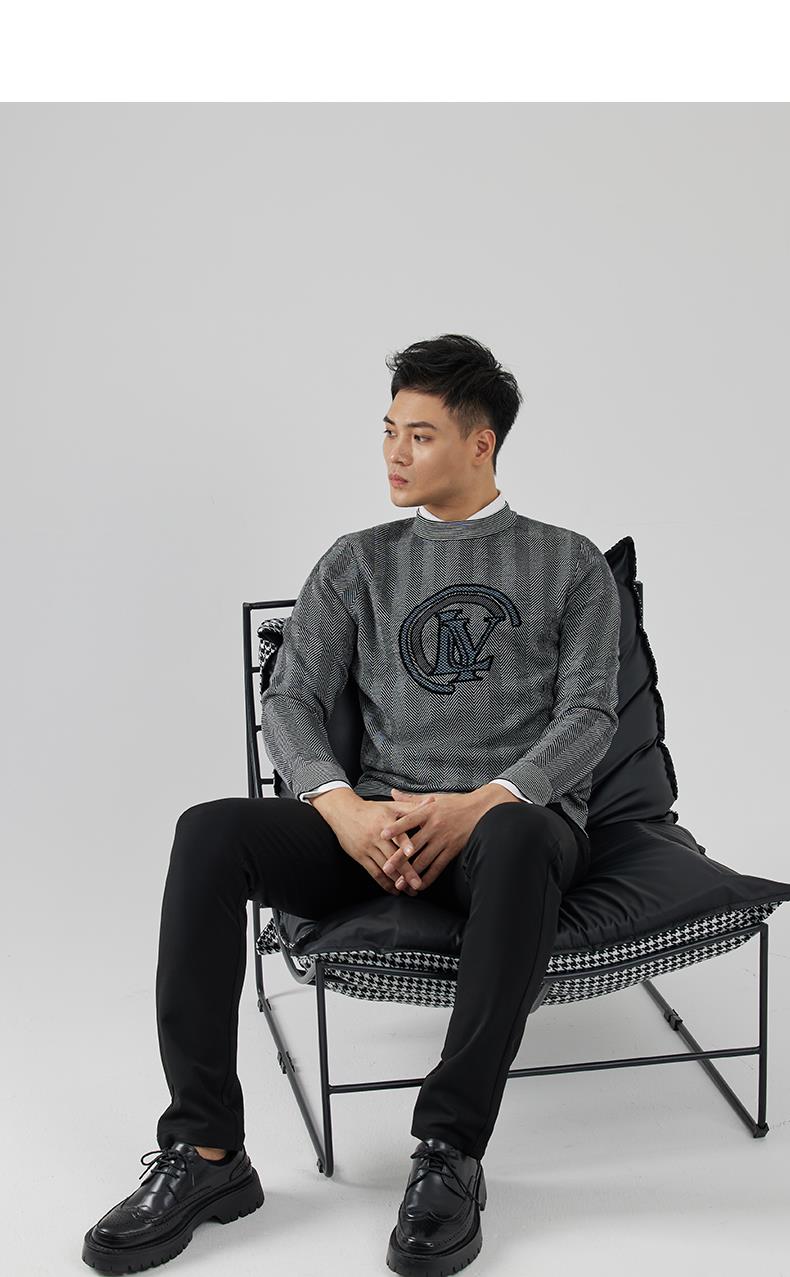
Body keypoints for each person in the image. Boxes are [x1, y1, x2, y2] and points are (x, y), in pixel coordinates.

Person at [82, 333, 621, 1277]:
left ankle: (449, 1151)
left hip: (509, 835)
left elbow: (589, 716)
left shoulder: (568, 562)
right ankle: (206, 1151)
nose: (393, 454)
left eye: (420, 435)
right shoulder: (359, 561)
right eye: (388, 431)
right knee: (208, 831)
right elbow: (290, 698)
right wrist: (344, 810)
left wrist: (480, 804)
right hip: (375, 829)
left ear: (482, 443)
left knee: (522, 835)